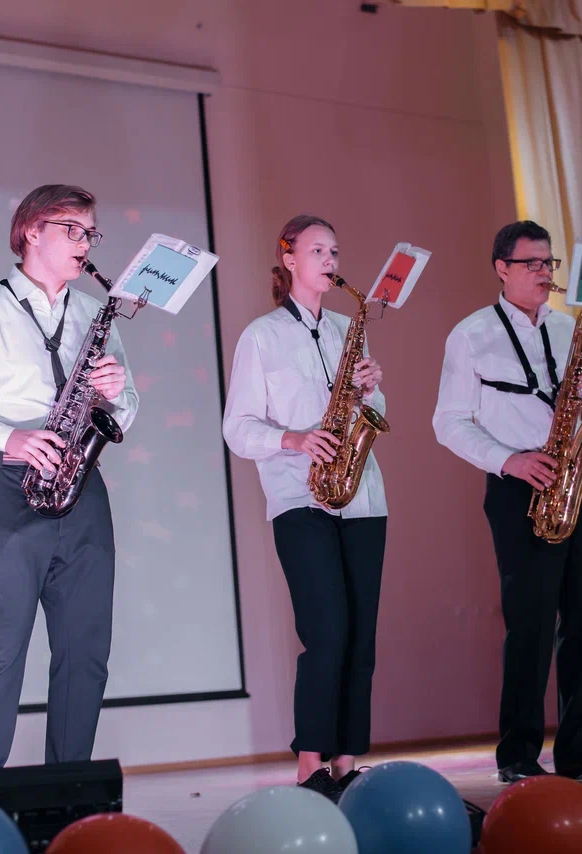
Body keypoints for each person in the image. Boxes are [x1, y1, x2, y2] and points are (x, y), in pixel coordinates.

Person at [0, 184, 138, 770]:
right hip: (5, 484)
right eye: (71, 229)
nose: (84, 243)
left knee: (86, 654)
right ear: (31, 230)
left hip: (81, 486)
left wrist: (116, 393)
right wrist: (9, 437)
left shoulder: (94, 314)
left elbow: (126, 406)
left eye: (90, 232)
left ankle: (70, 795)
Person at [432, 220, 582, 782]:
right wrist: (510, 460)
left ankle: (579, 748)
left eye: (550, 263)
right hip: (518, 482)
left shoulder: (572, 328)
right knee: (530, 623)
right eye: (533, 264)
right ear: (502, 269)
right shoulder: (471, 334)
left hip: (577, 476)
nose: (546, 273)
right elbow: (448, 422)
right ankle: (518, 755)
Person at [222, 215, 388, 801]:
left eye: (334, 251)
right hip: (300, 497)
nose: (330, 260)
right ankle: (310, 763)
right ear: (288, 257)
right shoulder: (261, 336)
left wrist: (372, 385)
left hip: (362, 497)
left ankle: (346, 762)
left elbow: (377, 410)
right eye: (318, 250)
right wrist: (293, 439)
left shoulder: (348, 329)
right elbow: (237, 428)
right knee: (327, 632)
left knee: (361, 637)